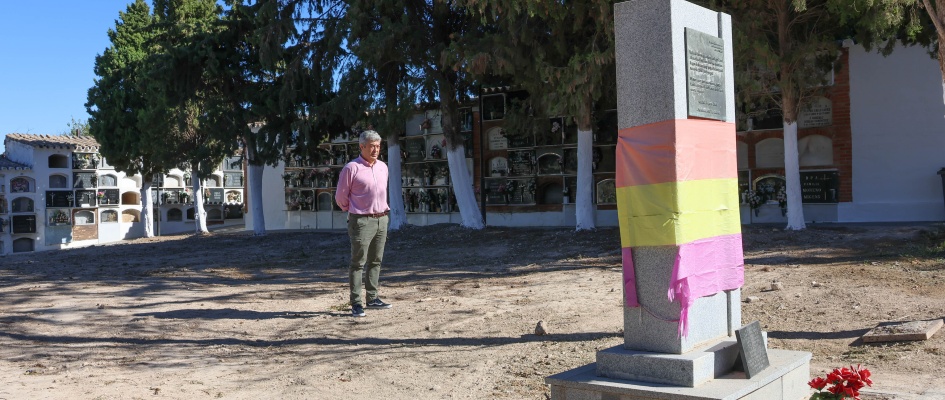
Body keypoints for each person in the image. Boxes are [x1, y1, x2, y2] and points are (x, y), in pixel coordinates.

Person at [335, 130, 392, 317]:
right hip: (361, 220)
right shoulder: (351, 168)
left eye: (378, 146)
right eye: (372, 146)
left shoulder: (383, 167)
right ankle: (356, 303)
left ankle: (373, 298)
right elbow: (341, 197)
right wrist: (354, 212)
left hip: (382, 219)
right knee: (358, 262)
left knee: (376, 260)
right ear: (362, 147)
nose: (376, 149)